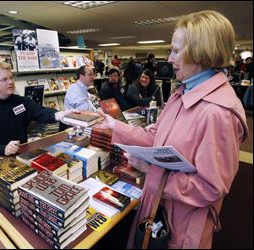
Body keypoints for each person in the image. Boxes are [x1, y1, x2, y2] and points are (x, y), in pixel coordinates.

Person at [95, 10, 249, 248]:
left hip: (183, 225)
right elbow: (156, 135)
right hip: (160, 211)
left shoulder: (219, 112)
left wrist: (151, 171)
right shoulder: (182, 93)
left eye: (176, 51)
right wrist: (115, 125)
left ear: (201, 53)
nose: (169, 59)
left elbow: (210, 188)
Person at [0, 62, 74, 157]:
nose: (10, 82)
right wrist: (3, 149)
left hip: (21, 157)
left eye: (11, 78)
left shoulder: (22, 102)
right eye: (4, 79)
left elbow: (41, 112)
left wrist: (59, 115)